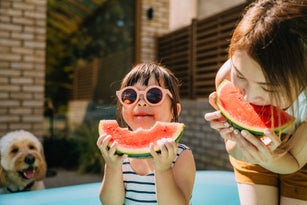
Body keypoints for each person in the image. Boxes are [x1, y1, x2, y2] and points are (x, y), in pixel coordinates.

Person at [204, 0, 307, 204]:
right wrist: (237, 140)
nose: (249, 97)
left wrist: (272, 158)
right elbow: (236, 150)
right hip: (253, 155)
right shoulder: (226, 77)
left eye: (269, 88)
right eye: (240, 75)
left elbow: (295, 160)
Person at [97, 63, 196, 204]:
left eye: (154, 95)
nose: (141, 103)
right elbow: (111, 203)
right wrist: (112, 167)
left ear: (174, 111)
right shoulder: (119, 155)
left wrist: (163, 169)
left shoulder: (181, 155)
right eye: (130, 96)